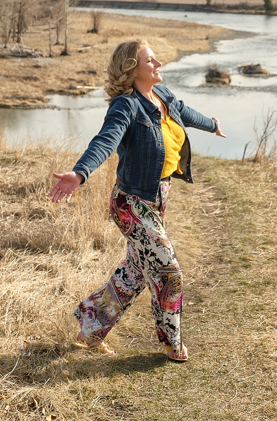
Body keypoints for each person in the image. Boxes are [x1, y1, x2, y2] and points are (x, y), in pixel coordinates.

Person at [50, 39, 226, 362]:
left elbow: (184, 111)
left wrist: (212, 124)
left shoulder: (162, 95)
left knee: (134, 274)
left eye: (156, 59)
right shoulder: (125, 106)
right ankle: (172, 343)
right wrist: (80, 173)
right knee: (168, 271)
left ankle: (90, 329)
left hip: (157, 200)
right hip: (131, 204)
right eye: (150, 60)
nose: (158, 64)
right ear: (132, 70)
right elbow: (106, 140)